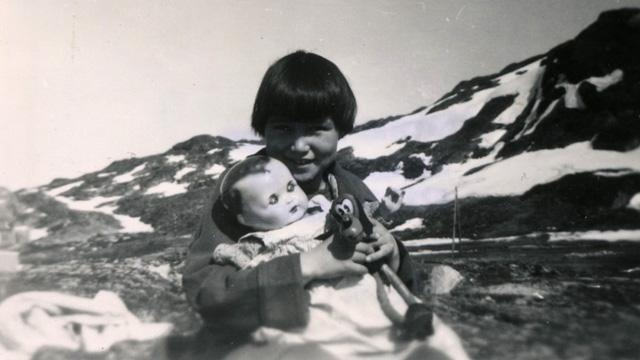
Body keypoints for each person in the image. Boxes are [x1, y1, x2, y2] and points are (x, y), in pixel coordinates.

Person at [182, 50, 418, 359]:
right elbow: (205, 291)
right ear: (262, 127)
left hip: (356, 332)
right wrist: (307, 265)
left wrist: (392, 252)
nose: (298, 146)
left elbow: (396, 274)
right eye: (283, 128)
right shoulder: (241, 191)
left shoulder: (351, 188)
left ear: (340, 130)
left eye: (315, 129)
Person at [211, 155, 414, 357]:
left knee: (381, 322)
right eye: (273, 199)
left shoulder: (322, 209)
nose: (289, 198)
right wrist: (228, 253)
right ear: (246, 218)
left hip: (354, 281)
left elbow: (356, 219)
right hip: (312, 299)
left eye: (291, 187)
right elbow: (247, 270)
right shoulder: (260, 240)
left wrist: (383, 210)